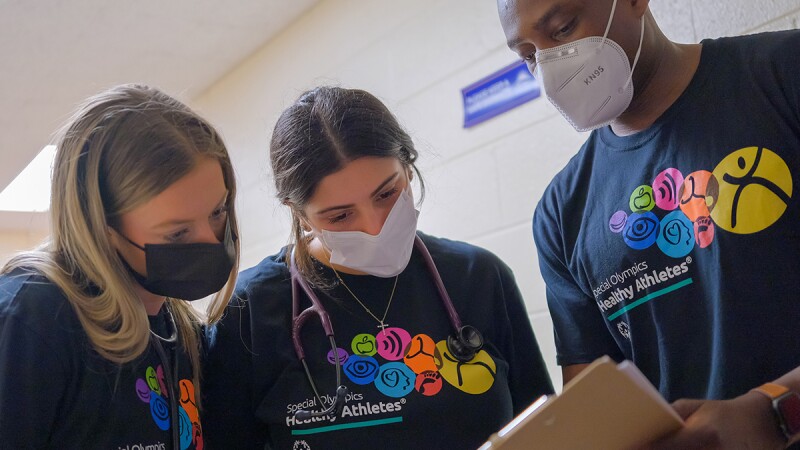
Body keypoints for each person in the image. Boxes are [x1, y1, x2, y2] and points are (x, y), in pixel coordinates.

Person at [497, 0, 800, 447]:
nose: (549, 69)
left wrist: (773, 412)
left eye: (562, 30)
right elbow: (597, 415)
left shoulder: (782, 75)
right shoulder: (562, 213)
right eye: (528, 56)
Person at [201, 86, 554, 449]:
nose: (374, 227)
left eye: (387, 194)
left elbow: (548, 429)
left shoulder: (478, 277)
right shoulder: (249, 311)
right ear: (299, 214)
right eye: (339, 215)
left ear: (408, 168)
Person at [0, 84, 240, 449]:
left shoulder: (179, 328)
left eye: (218, 212)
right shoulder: (32, 319)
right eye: (177, 234)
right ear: (103, 227)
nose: (210, 242)